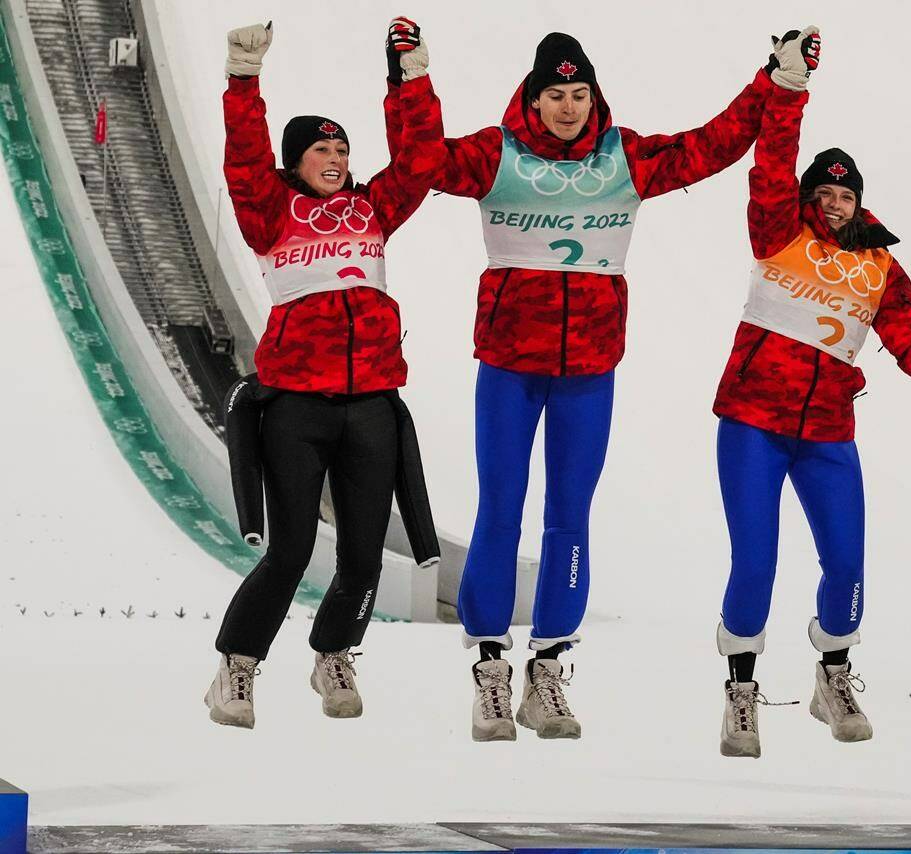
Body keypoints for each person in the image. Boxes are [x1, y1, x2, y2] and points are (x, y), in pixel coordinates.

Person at [410, 28, 790, 742]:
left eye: (579, 94)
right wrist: (410, 80)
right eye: (555, 94)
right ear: (533, 96)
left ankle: (547, 669)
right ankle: (491, 670)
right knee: (501, 507)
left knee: (570, 514)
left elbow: (716, 143)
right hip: (509, 365)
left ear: (595, 97)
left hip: (588, 367)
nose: (567, 107)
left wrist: (774, 81)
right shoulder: (497, 153)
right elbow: (422, 161)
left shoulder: (627, 156)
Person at [711, 29, 911, 759]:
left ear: (859, 201)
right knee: (755, 561)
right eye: (822, 193)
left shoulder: (881, 268)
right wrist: (789, 88)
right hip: (752, 424)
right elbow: (770, 162)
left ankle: (834, 673)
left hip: (827, 434)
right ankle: (741, 689)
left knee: (848, 564)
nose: (832, 204)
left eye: (844, 194)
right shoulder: (776, 230)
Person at [204, 18, 436, 729]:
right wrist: (244, 77)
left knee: (364, 557)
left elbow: (421, 160)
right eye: (319, 150)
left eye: (340, 149)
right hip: (296, 407)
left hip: (370, 403)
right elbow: (243, 158)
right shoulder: (270, 213)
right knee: (293, 550)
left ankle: (334, 653)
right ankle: (236, 669)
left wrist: (411, 78)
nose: (333, 159)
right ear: (295, 161)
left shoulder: (372, 209)